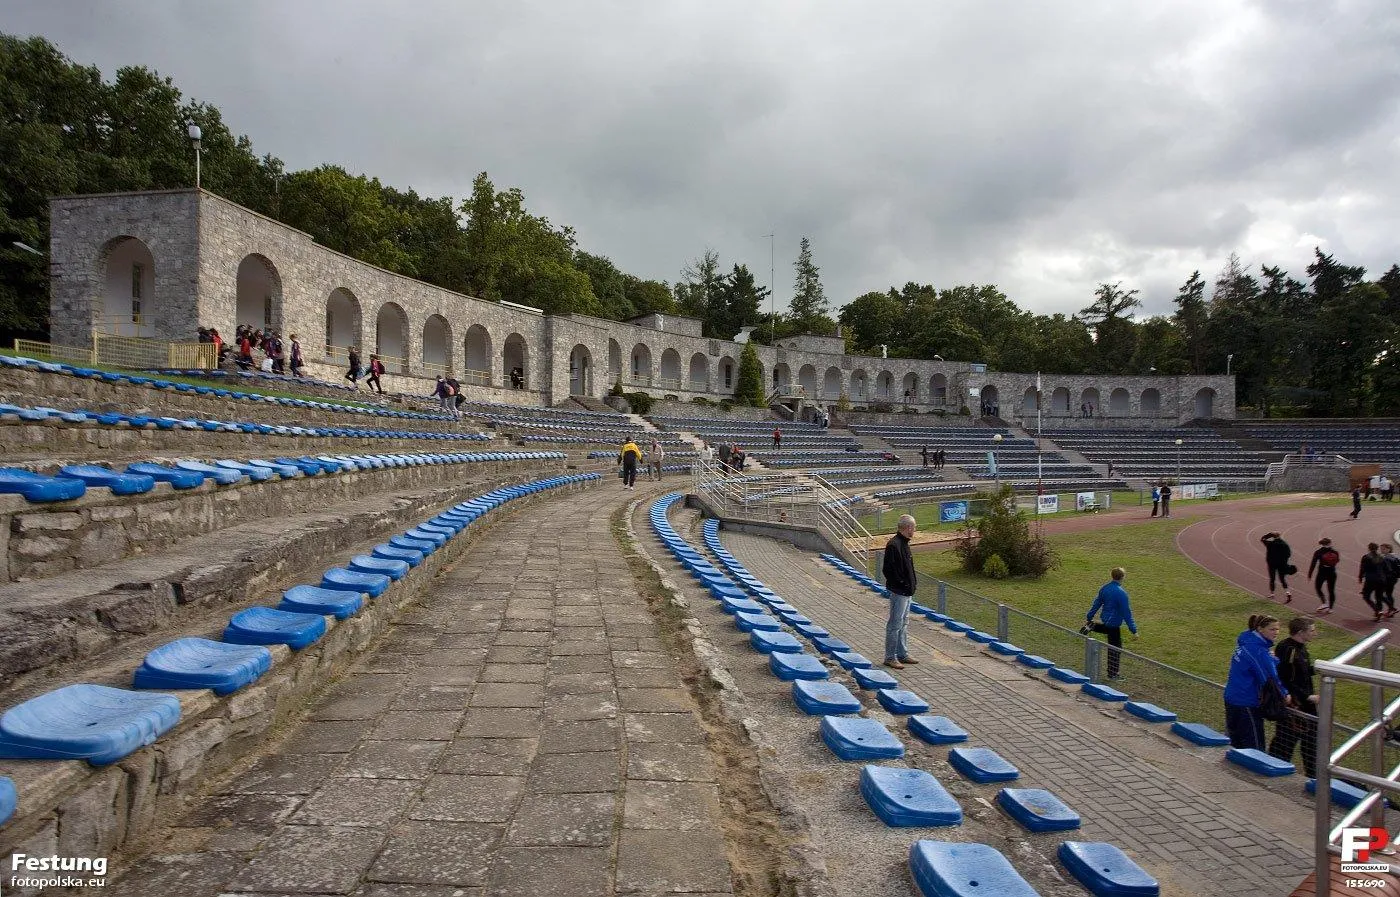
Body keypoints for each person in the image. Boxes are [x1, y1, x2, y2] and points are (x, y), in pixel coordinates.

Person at [1223, 614, 1290, 751]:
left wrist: (1272, 659)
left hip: (1232, 698)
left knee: (1235, 742)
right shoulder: (1258, 651)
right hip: (1246, 702)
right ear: (1260, 629)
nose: (1276, 632)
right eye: (1272, 629)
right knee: (1254, 748)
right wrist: (1285, 694)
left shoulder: (1246, 641)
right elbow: (1269, 679)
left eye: (1278, 629)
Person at [1268, 617, 1318, 778]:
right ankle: (1275, 769)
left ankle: (1313, 776)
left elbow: (1300, 672)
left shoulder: (1301, 648)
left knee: (1311, 743)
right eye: (1311, 630)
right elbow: (1285, 678)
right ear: (1300, 632)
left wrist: (1316, 669)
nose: (1314, 633)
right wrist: (1307, 697)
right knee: (1286, 740)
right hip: (1295, 705)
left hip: (1305, 705)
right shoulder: (1288, 649)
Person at [1081, 567, 1138, 680]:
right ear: (1122, 577)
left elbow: (1097, 603)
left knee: (1107, 630)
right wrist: (1134, 630)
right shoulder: (1122, 594)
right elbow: (1126, 613)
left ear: (1112, 576)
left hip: (1106, 619)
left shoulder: (1104, 588)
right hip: (1114, 623)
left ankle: (1092, 625)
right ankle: (1112, 674)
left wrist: (1089, 616)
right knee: (1116, 648)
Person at [881, 514, 920, 670]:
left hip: (907, 592)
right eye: (914, 527)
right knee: (895, 625)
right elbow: (889, 570)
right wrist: (903, 585)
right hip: (900, 592)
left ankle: (902, 654)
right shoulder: (894, 545)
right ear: (908, 528)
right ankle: (890, 657)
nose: (915, 530)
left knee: (904, 623)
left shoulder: (904, 543)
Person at [1360, 543, 1394, 621]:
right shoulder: (1382, 557)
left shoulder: (1366, 557)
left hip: (1370, 580)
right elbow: (1388, 569)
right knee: (1378, 597)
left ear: (1369, 548)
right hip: (1381, 580)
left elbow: (1362, 569)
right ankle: (1381, 613)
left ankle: (1377, 611)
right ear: (1377, 548)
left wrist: (1360, 577)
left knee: (1366, 596)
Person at [1309, 538, 1341, 614]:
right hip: (1332, 572)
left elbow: (1313, 563)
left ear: (1322, 544)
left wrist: (1310, 574)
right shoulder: (1335, 552)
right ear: (1330, 543)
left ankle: (1324, 603)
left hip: (1322, 572)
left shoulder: (1318, 552)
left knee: (1318, 587)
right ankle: (1331, 608)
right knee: (1331, 590)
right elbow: (1337, 561)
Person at [1260, 532, 1293, 603]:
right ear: (1279, 536)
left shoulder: (1270, 544)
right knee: (1282, 579)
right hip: (1282, 564)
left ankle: (1272, 594)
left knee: (1272, 578)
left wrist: (1268, 535)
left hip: (1272, 564)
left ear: (1273, 537)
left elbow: (1262, 539)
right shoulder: (1284, 544)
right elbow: (1289, 554)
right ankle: (1288, 593)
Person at [1383, 544, 1400, 612]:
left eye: (1383, 549)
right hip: (1394, 578)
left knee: (1380, 594)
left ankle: (1392, 608)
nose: (1381, 550)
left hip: (1388, 578)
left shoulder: (1387, 558)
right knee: (1389, 594)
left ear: (1389, 549)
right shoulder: (1396, 556)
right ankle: (1391, 609)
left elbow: (1387, 569)